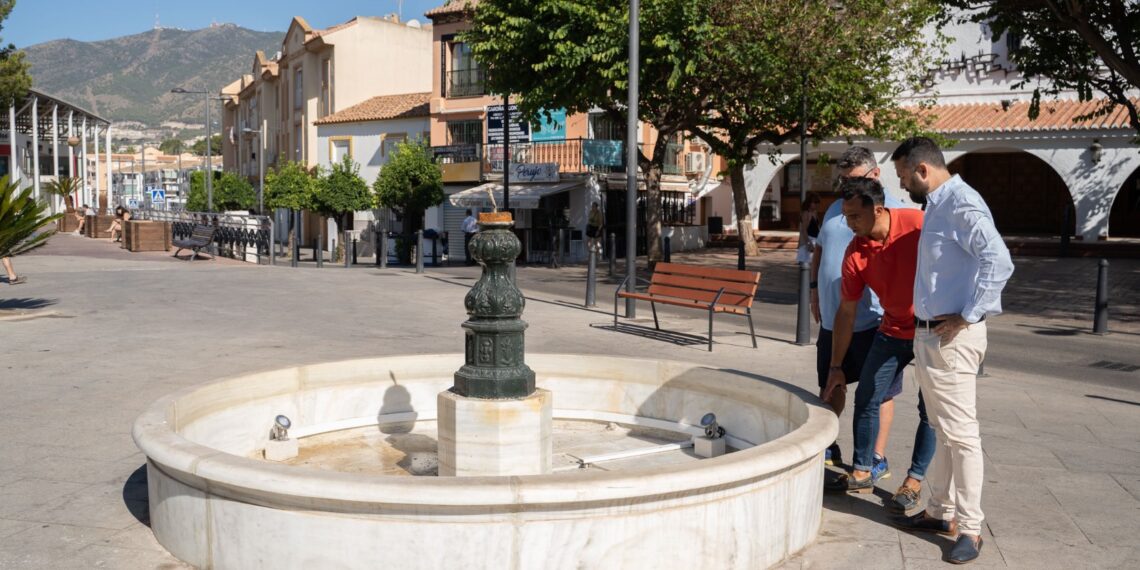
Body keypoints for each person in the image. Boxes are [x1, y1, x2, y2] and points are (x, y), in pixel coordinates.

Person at [889, 137, 1013, 565]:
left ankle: (970, 529)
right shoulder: (940, 204)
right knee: (943, 430)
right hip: (931, 337)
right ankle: (940, 511)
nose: (902, 185)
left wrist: (969, 314)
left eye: (903, 176)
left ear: (922, 170)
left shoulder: (960, 203)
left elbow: (998, 260)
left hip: (950, 339)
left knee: (961, 435)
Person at [822, 177, 935, 503]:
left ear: (879, 209)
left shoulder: (917, 225)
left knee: (930, 409)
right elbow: (846, 311)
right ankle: (861, 473)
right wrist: (836, 366)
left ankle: (913, 482)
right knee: (867, 395)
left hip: (931, 331)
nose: (849, 223)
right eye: (846, 216)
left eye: (855, 216)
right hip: (893, 330)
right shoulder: (856, 251)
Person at [811, 147, 914, 493]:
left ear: (874, 175)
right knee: (831, 383)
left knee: (878, 394)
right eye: (842, 181)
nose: (846, 187)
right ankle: (827, 446)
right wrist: (814, 290)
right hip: (834, 317)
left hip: (874, 322)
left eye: (853, 180)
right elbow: (820, 250)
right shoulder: (836, 208)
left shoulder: (895, 209)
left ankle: (875, 458)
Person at [795, 193, 822, 265]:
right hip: (808, 241)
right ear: (809, 203)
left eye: (817, 203)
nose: (816, 205)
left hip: (815, 240)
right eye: (815, 203)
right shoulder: (806, 213)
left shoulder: (815, 213)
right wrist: (808, 243)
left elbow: (818, 227)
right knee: (806, 266)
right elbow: (804, 230)